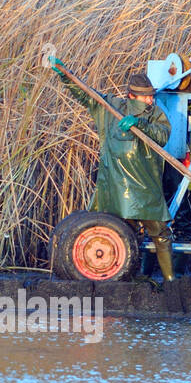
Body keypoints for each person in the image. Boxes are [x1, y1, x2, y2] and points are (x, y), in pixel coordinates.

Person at [51, 61, 176, 284]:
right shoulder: (111, 108)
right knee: (123, 235)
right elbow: (85, 94)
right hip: (115, 187)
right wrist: (64, 75)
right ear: (130, 96)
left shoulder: (155, 114)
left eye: (151, 95)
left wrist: (140, 124)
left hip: (146, 187)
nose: (150, 100)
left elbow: (163, 136)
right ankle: (134, 278)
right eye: (145, 96)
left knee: (161, 235)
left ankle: (170, 281)